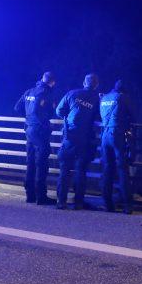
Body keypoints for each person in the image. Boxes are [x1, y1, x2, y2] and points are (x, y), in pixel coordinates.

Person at [55, 73, 100, 210]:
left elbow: (59, 110)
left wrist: (67, 119)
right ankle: (78, 202)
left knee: (64, 170)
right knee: (80, 171)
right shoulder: (97, 99)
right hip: (85, 139)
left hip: (69, 137)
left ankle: (61, 201)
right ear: (96, 85)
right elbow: (100, 116)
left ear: (83, 82)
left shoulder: (72, 93)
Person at [14, 71, 57, 205]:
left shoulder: (29, 91)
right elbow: (51, 112)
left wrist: (28, 119)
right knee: (41, 164)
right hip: (40, 131)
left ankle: (30, 195)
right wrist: (44, 120)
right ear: (52, 82)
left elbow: (17, 107)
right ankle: (41, 197)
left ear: (41, 79)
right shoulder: (47, 93)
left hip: (29, 130)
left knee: (30, 162)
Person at [99, 80, 136, 214]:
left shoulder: (104, 98)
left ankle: (107, 204)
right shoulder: (122, 97)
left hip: (105, 135)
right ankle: (127, 205)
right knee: (122, 170)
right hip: (118, 135)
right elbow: (134, 116)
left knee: (107, 170)